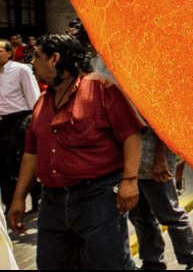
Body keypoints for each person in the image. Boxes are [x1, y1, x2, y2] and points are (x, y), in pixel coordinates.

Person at [7, 34, 145, 270]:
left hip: (97, 198)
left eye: (37, 56)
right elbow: (32, 152)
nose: (32, 62)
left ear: (55, 59)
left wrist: (130, 180)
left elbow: (130, 133)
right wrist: (19, 198)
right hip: (53, 204)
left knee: (109, 265)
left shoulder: (100, 87)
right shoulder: (42, 101)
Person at [128, 124, 193, 270]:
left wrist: (160, 158)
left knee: (170, 214)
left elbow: (165, 126)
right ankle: (152, 263)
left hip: (154, 164)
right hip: (132, 165)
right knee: (140, 217)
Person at [0, 39, 41, 212]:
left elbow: (34, 99)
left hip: (20, 121)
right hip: (1, 124)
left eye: (0, 50)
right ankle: (10, 205)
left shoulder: (21, 69)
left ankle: (35, 196)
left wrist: (33, 124)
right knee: (4, 166)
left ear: (10, 53)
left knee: (23, 164)